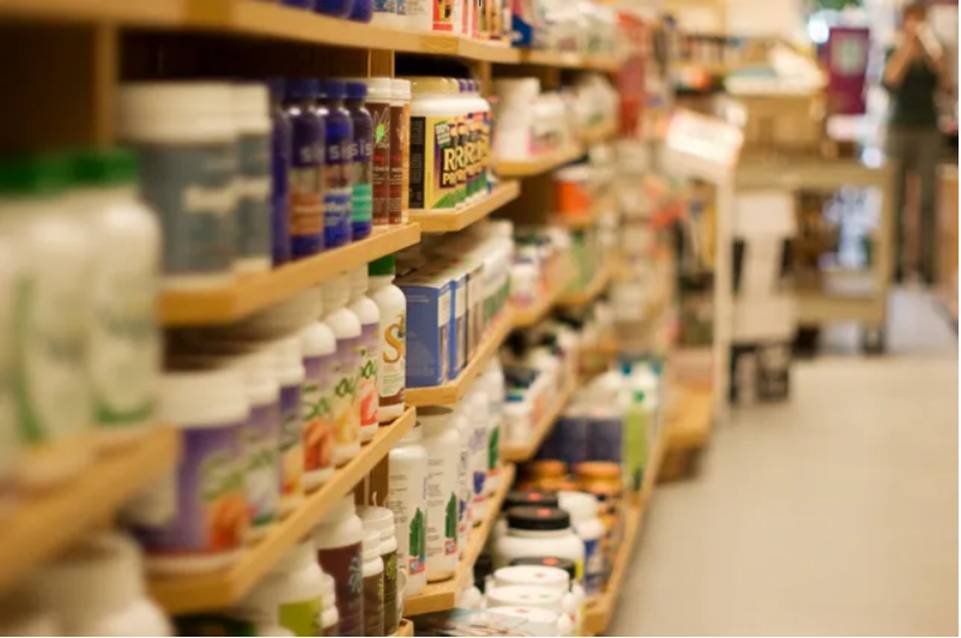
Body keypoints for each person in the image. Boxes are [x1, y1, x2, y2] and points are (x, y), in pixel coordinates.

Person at [883, 1, 946, 284]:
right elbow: (890, 80)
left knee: (928, 201)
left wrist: (932, 51)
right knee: (895, 200)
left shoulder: (937, 50)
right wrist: (908, 48)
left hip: (928, 130)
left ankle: (927, 266)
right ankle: (894, 265)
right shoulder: (893, 48)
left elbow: (946, 84)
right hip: (899, 129)